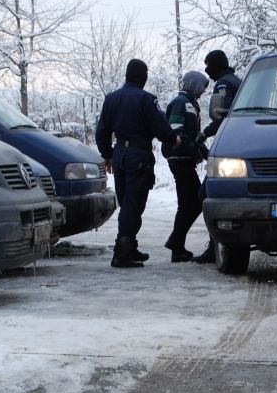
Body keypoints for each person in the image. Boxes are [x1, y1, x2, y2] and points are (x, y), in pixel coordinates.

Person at [95, 59, 181, 268]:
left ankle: (129, 246)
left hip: (120, 155)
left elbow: (102, 131)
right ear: (142, 76)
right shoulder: (146, 99)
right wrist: (174, 140)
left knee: (126, 203)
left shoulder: (111, 99)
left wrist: (107, 154)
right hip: (138, 157)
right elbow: (160, 126)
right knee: (134, 205)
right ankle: (122, 253)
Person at [193, 50, 242, 263]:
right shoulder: (238, 80)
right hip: (241, 147)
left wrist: (203, 134)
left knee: (206, 194)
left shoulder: (223, 84)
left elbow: (221, 115)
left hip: (229, 148)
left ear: (217, 65)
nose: (206, 70)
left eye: (208, 65)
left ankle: (217, 246)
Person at [161, 71, 210, 263]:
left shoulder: (191, 104)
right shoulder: (181, 103)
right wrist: (195, 152)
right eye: (202, 86)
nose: (204, 90)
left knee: (192, 202)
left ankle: (176, 243)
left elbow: (195, 136)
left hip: (185, 159)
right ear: (193, 84)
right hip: (179, 159)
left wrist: (208, 155)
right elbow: (177, 132)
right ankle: (176, 245)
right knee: (192, 202)